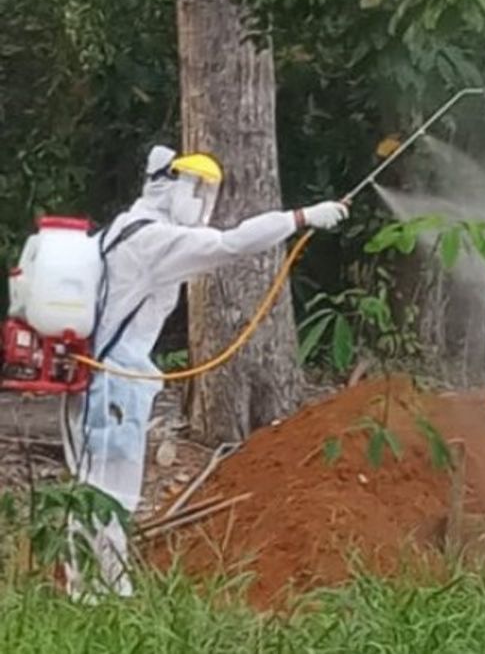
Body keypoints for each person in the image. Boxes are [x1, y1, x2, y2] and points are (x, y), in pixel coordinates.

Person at [62, 146, 348, 598]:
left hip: (100, 377)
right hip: (112, 383)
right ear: (171, 186)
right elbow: (231, 244)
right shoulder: (154, 239)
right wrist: (301, 218)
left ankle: (100, 588)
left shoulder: (126, 227)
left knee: (95, 484)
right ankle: (97, 594)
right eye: (197, 189)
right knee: (109, 489)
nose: (202, 201)